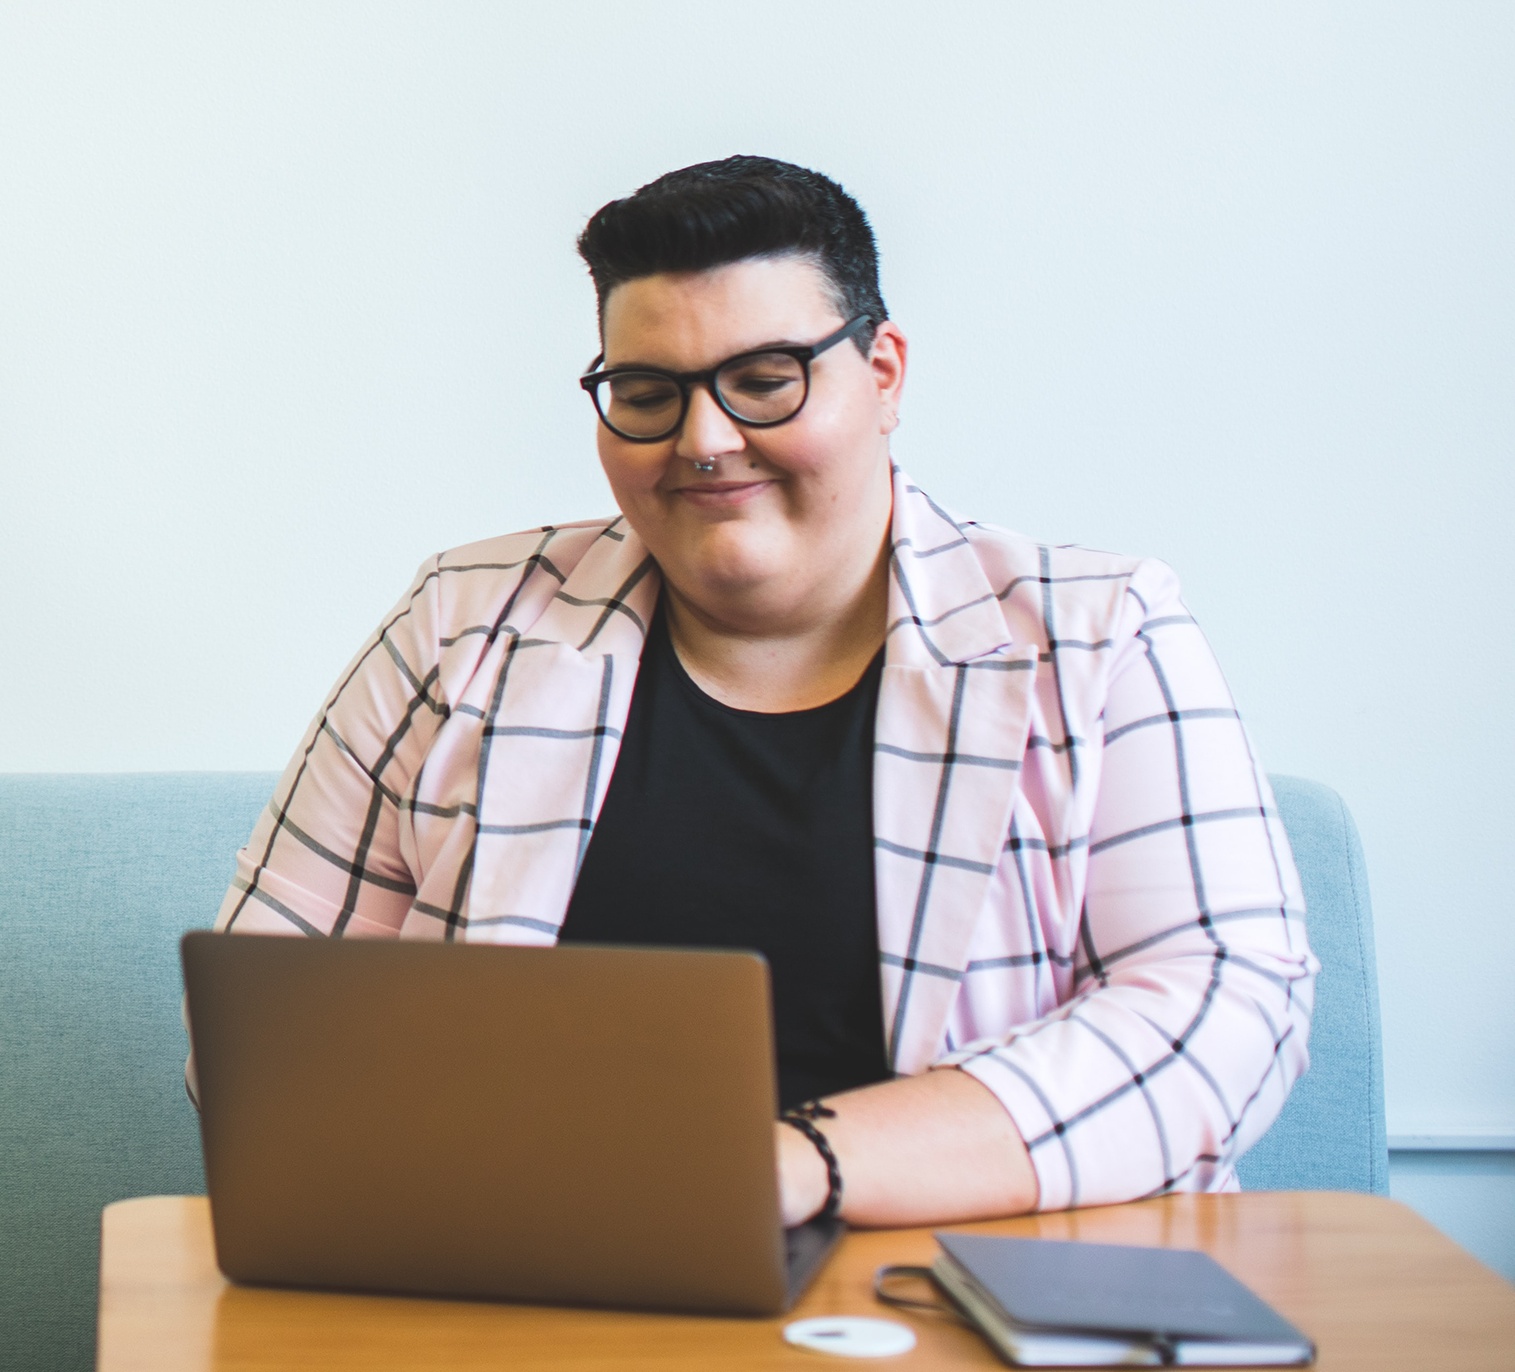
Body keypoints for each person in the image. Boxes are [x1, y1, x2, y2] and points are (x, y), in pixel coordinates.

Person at [212, 156, 1314, 1229]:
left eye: (764, 380)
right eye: (646, 393)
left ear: (882, 373)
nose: (703, 440)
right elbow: (264, 1024)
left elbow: (1226, 1013)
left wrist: (791, 1165)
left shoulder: (1099, 633)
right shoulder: (461, 624)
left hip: (962, 1277)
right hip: (528, 1267)